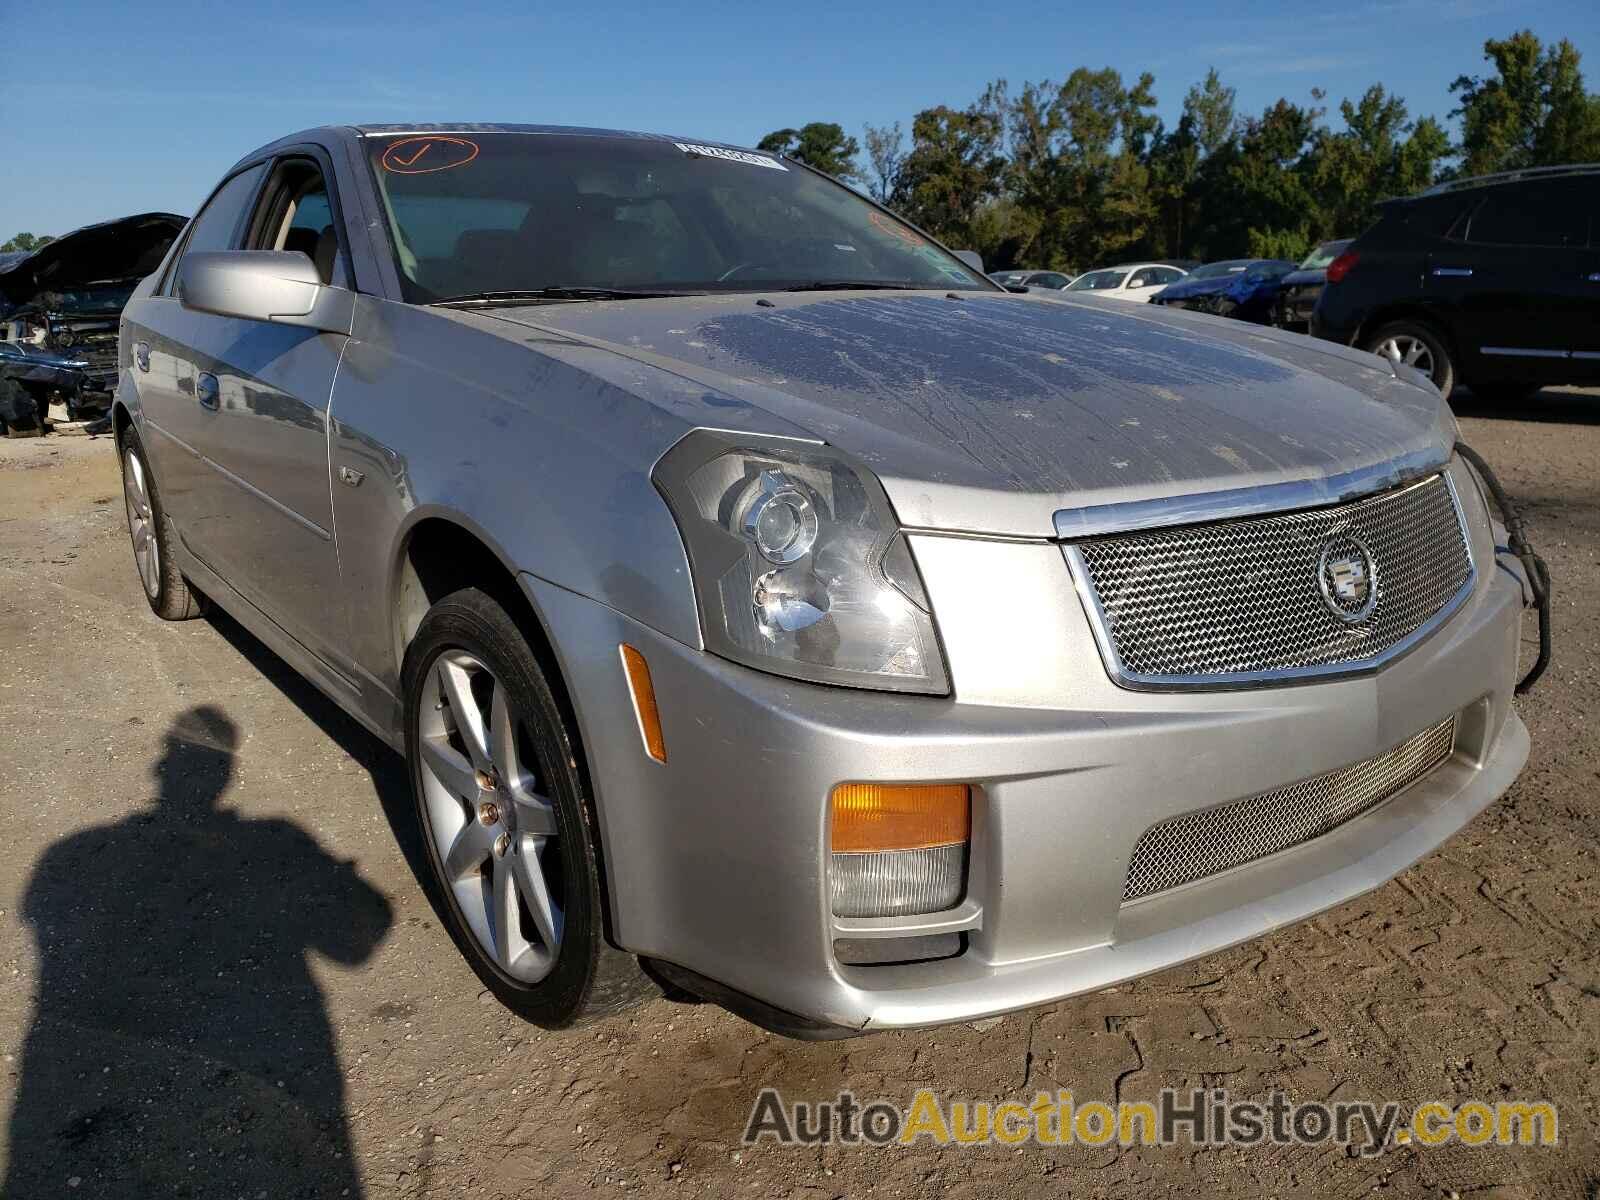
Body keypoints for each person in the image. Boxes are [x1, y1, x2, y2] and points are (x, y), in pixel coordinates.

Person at [6, 706, 393, 1196]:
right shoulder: (275, 842)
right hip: (267, 1060)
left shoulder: (70, 855)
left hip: (83, 1079)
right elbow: (353, 945)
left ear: (160, 768)